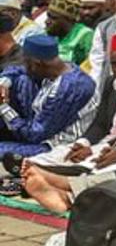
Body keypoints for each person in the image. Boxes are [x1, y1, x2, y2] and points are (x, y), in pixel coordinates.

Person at [26, 32, 116, 172]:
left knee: (91, 166)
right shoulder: (111, 82)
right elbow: (101, 123)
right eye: (115, 64)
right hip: (105, 142)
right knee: (51, 157)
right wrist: (83, 143)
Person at [0, 35, 97, 169]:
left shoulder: (70, 88)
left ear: (37, 63)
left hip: (55, 145)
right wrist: (4, 83)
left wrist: (3, 107)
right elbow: (17, 69)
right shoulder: (59, 66)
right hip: (36, 127)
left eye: (26, 63)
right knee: (22, 79)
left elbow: (34, 135)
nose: (23, 66)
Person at [43, 0, 92, 67]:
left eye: (53, 18)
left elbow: (89, 67)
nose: (47, 21)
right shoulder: (50, 33)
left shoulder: (85, 35)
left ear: (68, 20)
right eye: (48, 16)